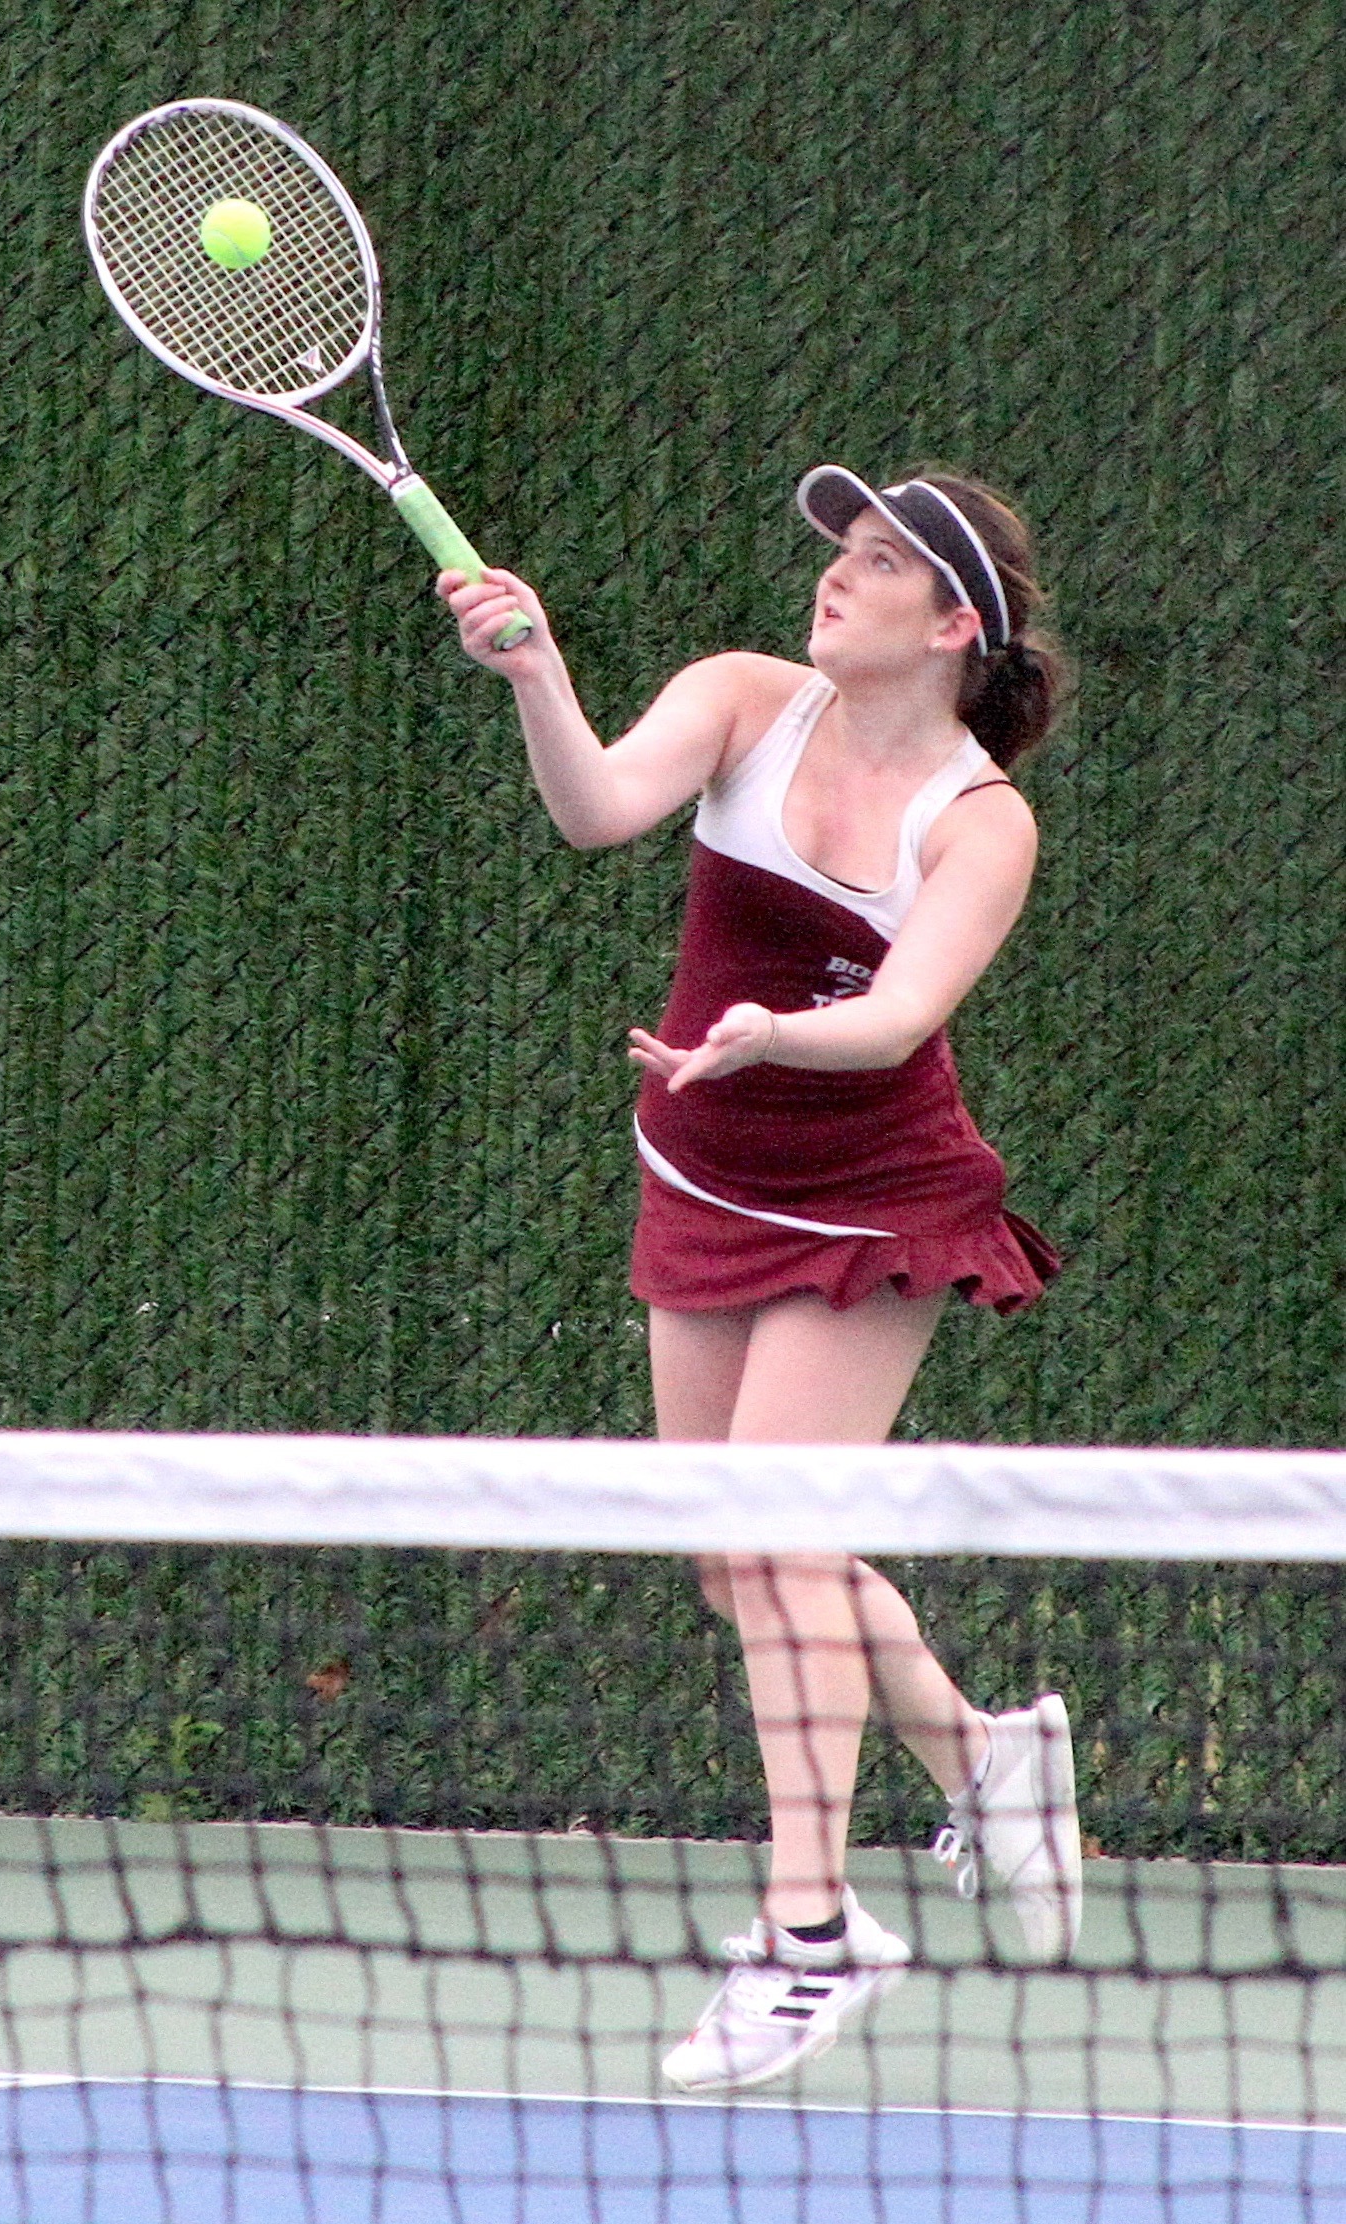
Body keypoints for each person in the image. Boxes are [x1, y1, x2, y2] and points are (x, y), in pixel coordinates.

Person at [440, 464, 1082, 2095]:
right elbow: (593, 807)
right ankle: (981, 1752)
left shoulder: (979, 820)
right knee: (731, 1557)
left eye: (878, 566)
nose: (837, 579)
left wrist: (772, 1035)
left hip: (872, 1197)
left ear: (953, 625)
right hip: (703, 1171)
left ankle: (811, 1932)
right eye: (838, 552)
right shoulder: (740, 698)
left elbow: (894, 1016)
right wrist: (538, 679)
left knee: (783, 1534)